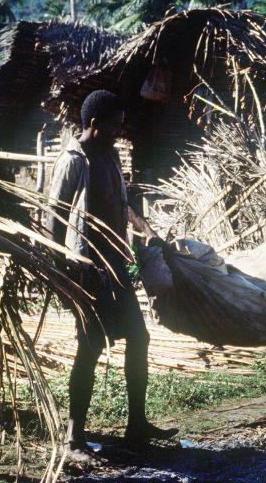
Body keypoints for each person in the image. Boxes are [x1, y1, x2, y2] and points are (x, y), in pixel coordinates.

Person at [45, 90, 178, 466]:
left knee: (139, 337)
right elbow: (53, 216)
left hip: (116, 267)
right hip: (87, 269)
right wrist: (59, 269)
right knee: (90, 347)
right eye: (116, 125)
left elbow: (122, 204)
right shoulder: (73, 160)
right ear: (95, 125)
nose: (121, 131)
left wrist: (145, 229)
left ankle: (136, 425)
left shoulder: (111, 155)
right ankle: (74, 436)